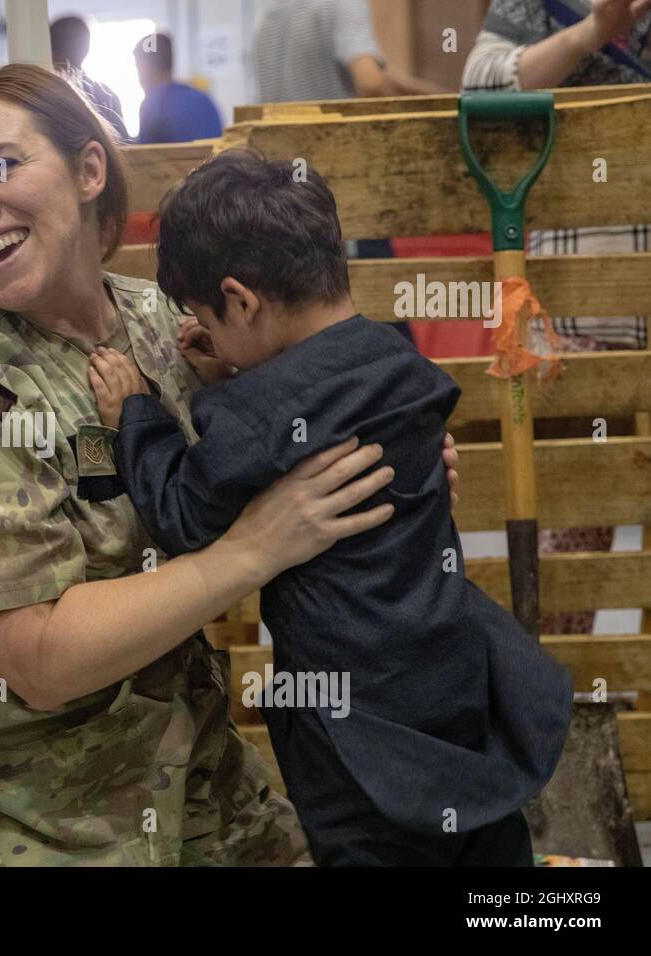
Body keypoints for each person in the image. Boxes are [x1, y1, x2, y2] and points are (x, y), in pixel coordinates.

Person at [0, 63, 462, 866]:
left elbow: (291, 436)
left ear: (91, 171)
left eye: (1, 165)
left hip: (199, 787)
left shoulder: (165, 322)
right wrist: (256, 549)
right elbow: (42, 663)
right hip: (40, 828)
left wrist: (390, 468)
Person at [91, 150, 571, 865]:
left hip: (352, 730)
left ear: (242, 300)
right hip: (455, 680)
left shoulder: (257, 412)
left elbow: (184, 515)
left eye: (206, 319)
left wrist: (137, 414)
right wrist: (232, 363)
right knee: (484, 842)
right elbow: (315, 400)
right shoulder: (398, 366)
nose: (207, 338)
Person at [464, 0, 650, 633]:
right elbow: (479, 81)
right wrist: (594, 32)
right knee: (574, 526)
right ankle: (560, 694)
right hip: (583, 308)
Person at [252, 0, 441, 103]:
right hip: (328, 152)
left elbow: (371, 69)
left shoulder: (270, 13)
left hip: (279, 162)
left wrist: (431, 94)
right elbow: (371, 82)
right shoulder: (343, 4)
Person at [133, 33, 224, 143]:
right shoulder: (203, 98)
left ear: (145, 67)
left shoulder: (154, 104)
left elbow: (143, 155)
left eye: (137, 66)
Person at [50, 14, 130, 139]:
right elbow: (125, 150)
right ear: (86, 49)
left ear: (50, 49)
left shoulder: (44, 94)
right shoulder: (105, 95)